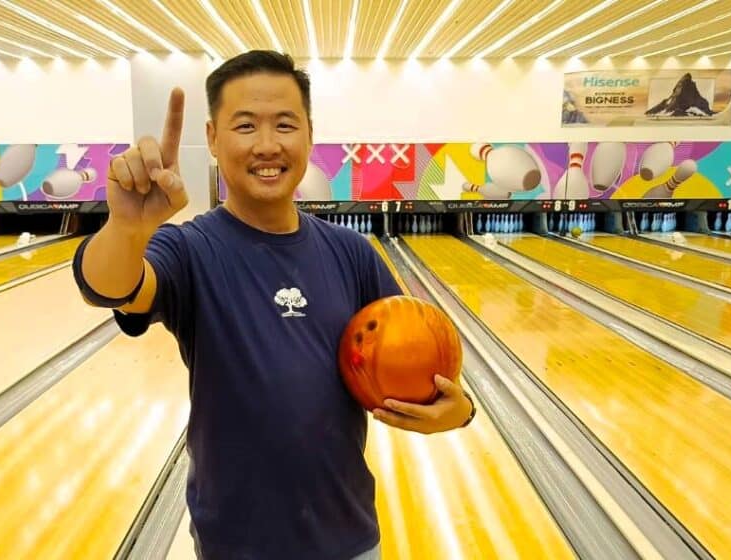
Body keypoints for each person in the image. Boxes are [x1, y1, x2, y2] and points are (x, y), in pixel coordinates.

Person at [72, 50, 475, 560]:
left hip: (349, 536)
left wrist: (459, 411)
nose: (267, 145)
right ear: (212, 138)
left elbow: (423, 354)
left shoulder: (351, 252)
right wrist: (127, 228)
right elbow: (108, 287)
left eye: (285, 124)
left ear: (309, 134)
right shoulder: (190, 249)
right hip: (235, 545)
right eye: (245, 126)